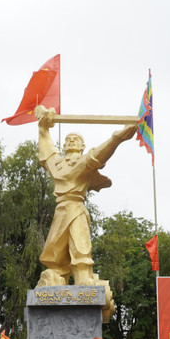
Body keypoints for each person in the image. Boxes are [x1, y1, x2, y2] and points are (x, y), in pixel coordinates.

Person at [34, 106, 136, 290]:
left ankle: (83, 276)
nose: (72, 140)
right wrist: (43, 127)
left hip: (76, 208)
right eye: (68, 139)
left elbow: (97, 155)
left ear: (82, 147)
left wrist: (116, 138)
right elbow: (47, 150)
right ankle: (57, 274)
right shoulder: (57, 164)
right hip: (61, 209)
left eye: (77, 140)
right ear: (63, 146)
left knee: (79, 243)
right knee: (55, 247)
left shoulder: (84, 162)